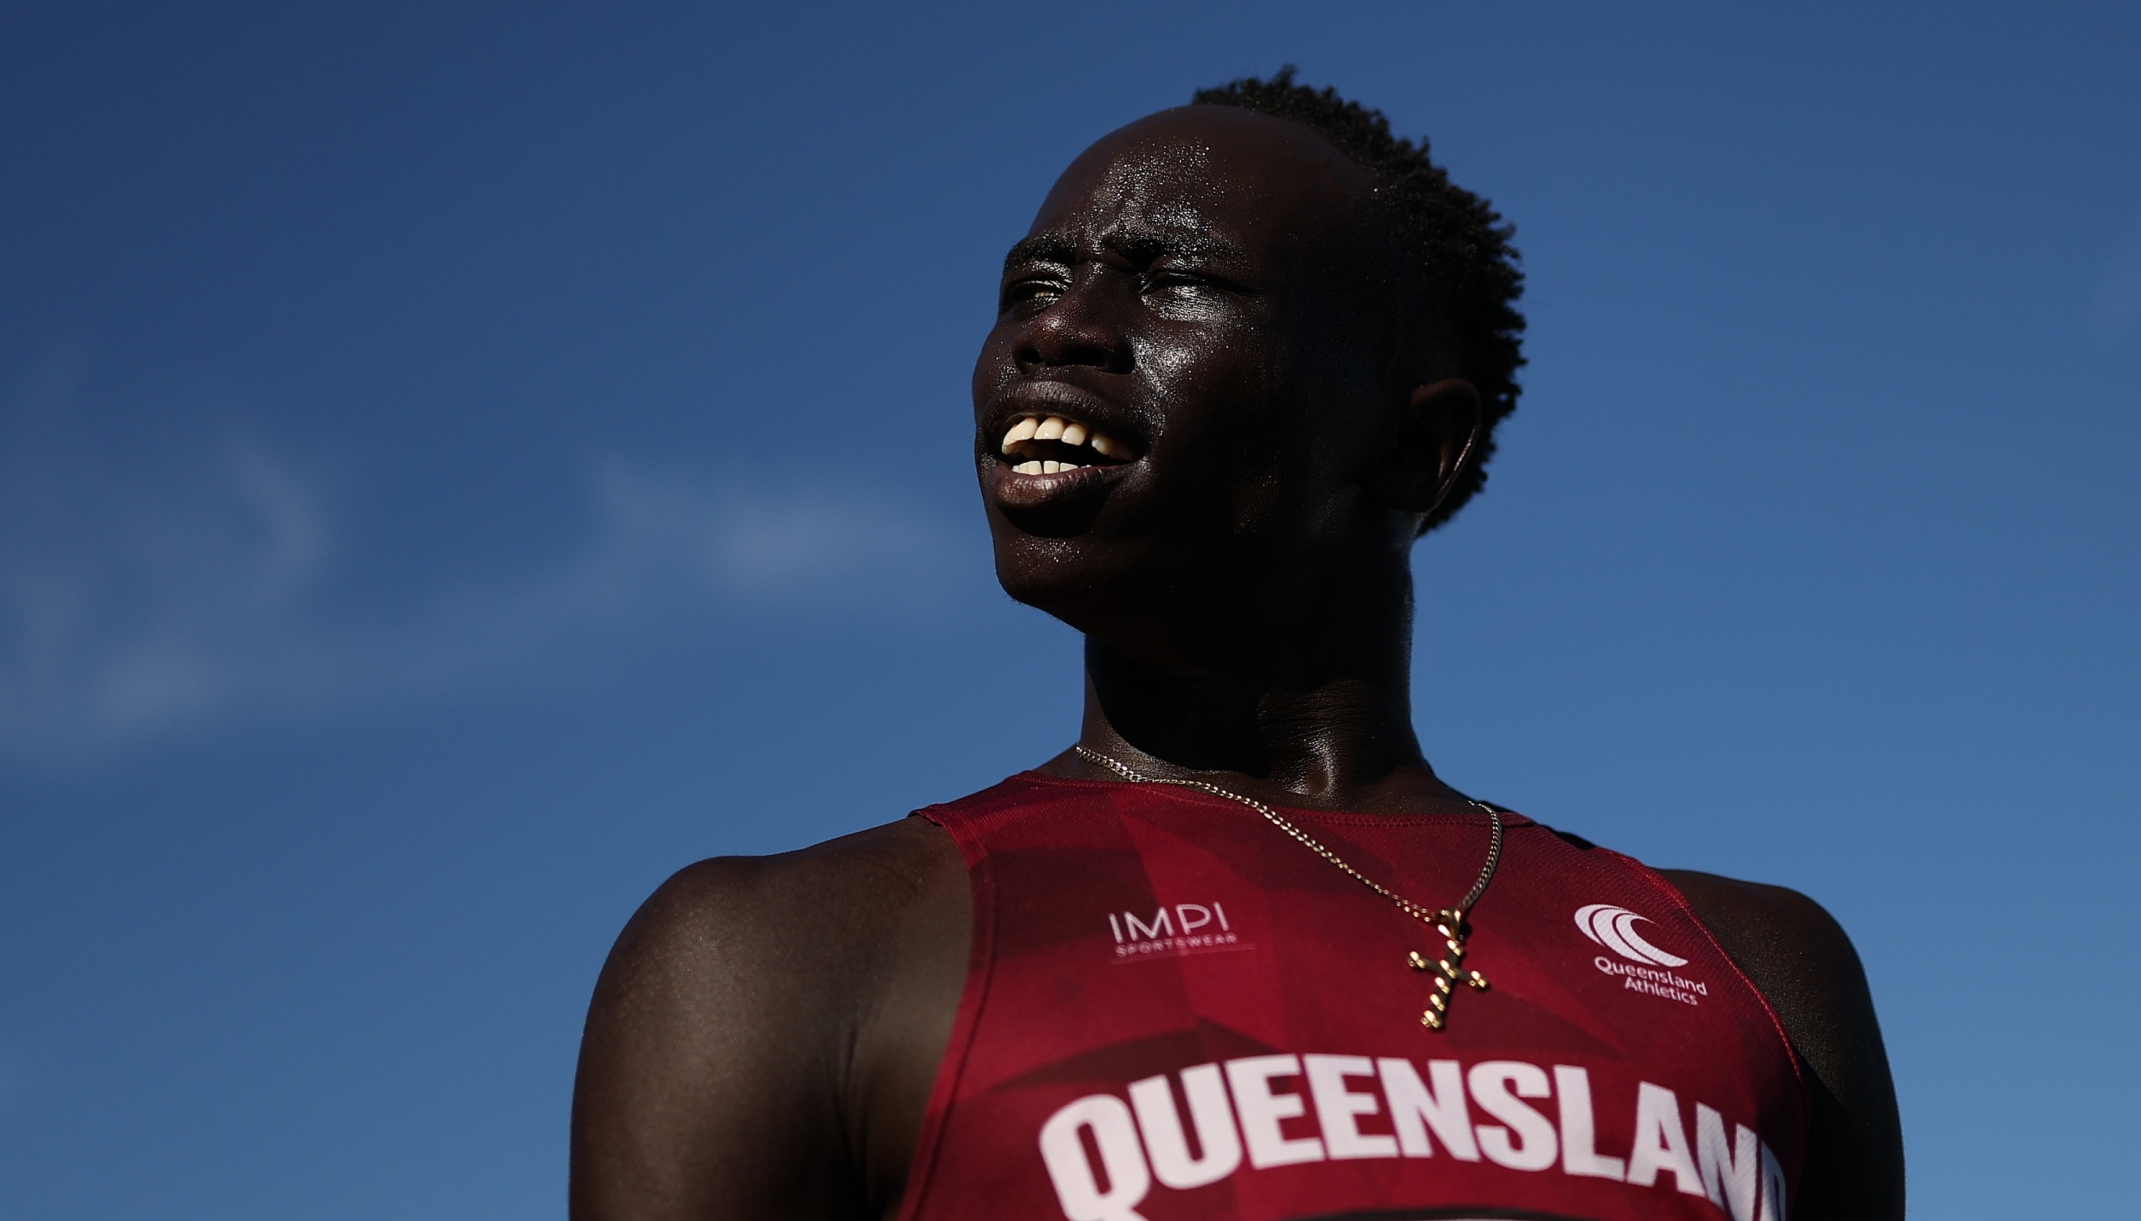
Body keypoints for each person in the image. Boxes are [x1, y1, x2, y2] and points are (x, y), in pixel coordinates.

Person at [569, 70, 1904, 1221]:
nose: (1057, 327)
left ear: (1413, 445)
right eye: (1031, 283)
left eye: (1175, 280)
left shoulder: (1759, 972)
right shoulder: (777, 960)